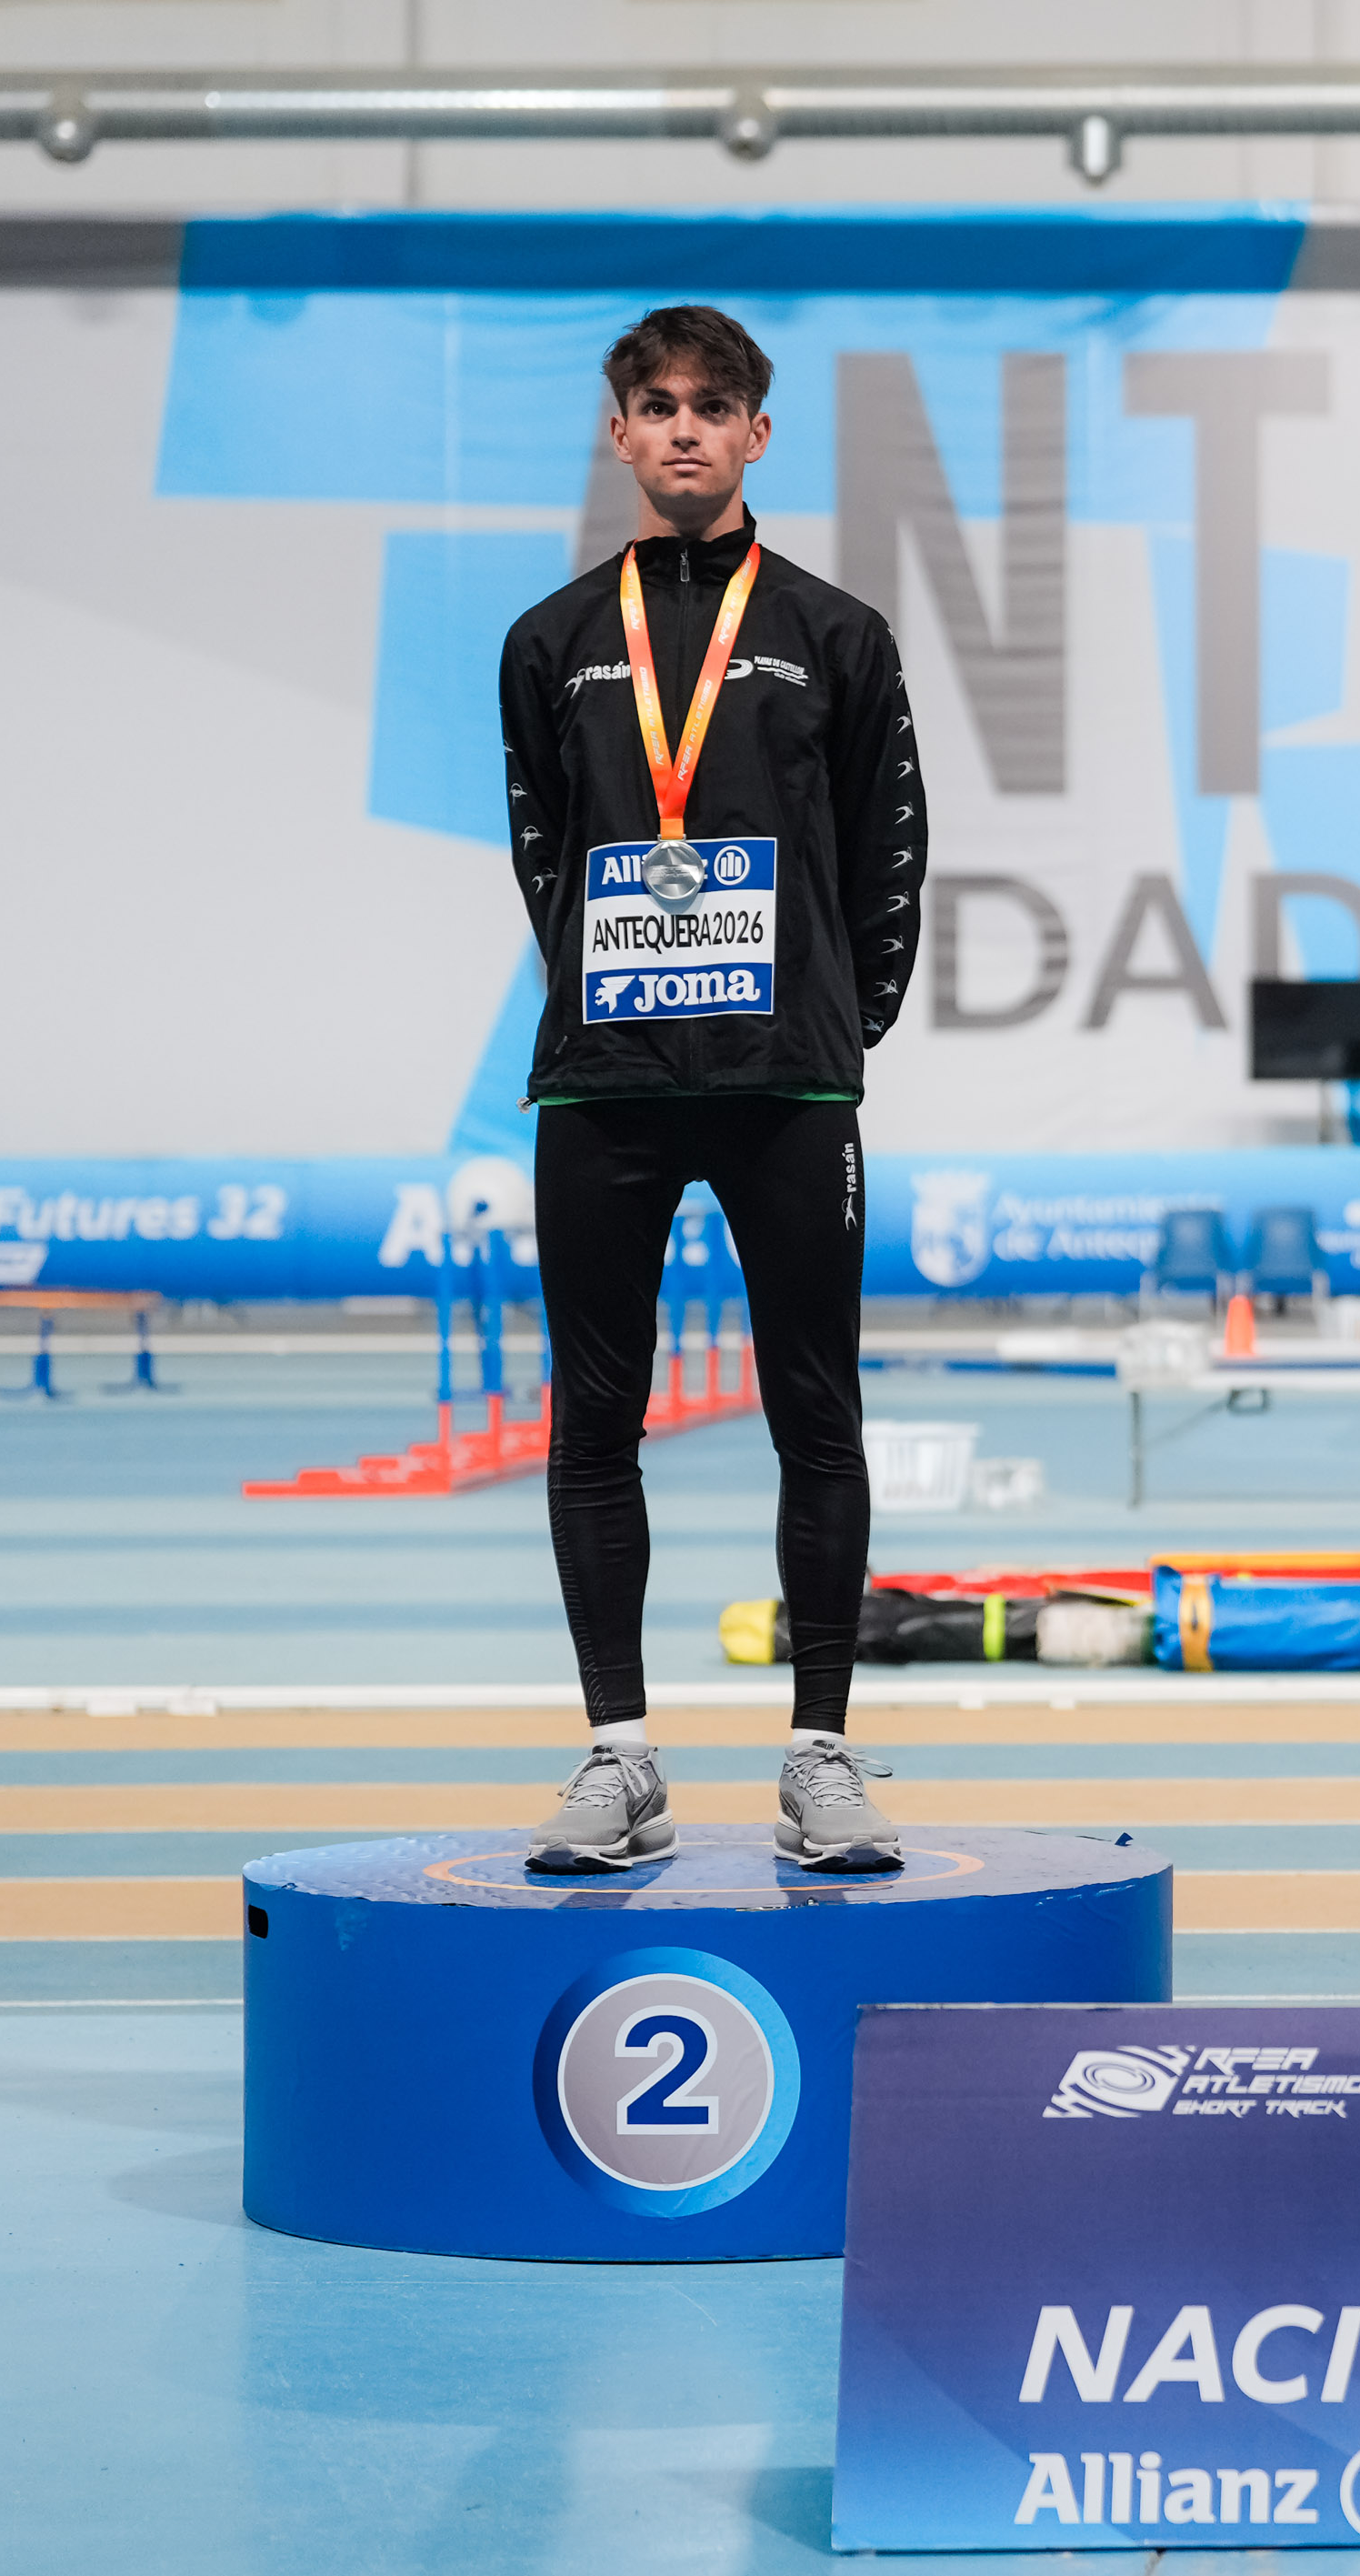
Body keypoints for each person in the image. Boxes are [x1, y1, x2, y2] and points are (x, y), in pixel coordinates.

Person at [497, 306, 928, 1873]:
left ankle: (820, 1754)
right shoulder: (550, 642)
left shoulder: (836, 632)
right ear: (618, 431)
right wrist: (607, 1000)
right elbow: (544, 849)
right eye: (657, 404)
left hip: (787, 1085)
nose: (684, 427)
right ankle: (620, 1756)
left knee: (816, 1409)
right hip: (604, 1079)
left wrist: (833, 1025)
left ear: (757, 433)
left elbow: (890, 851)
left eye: (713, 404)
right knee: (593, 1418)